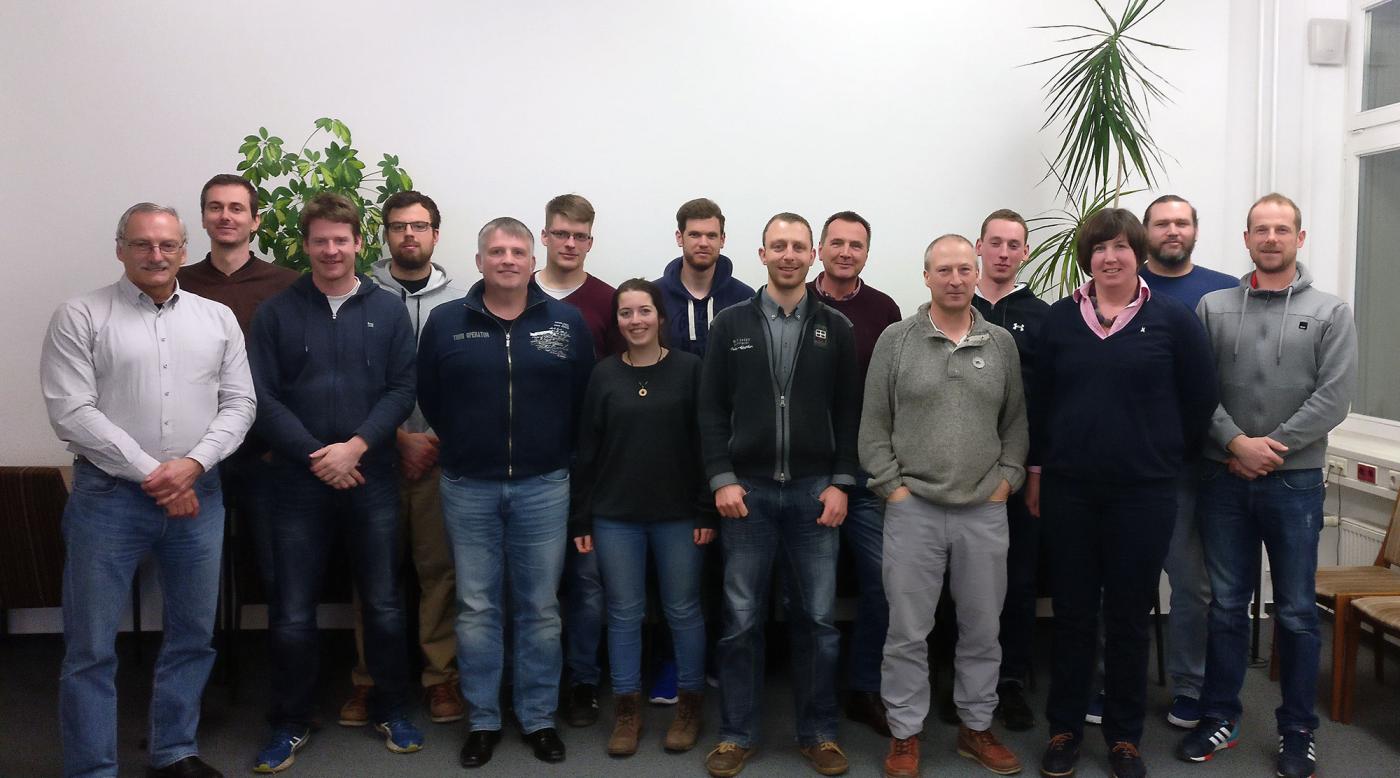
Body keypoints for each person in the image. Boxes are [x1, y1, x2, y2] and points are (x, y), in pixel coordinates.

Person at [42, 202, 255, 778]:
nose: (155, 255)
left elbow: (240, 403)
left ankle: (174, 751)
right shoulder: (80, 315)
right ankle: (92, 768)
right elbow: (72, 412)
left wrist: (193, 465)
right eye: (142, 244)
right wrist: (156, 474)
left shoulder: (217, 319)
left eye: (167, 245)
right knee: (90, 647)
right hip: (108, 500)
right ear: (120, 249)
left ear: (184, 250)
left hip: (199, 496)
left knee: (192, 636)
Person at [1032, 208, 1217, 778]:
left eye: (1120, 247)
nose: (1110, 257)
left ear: (1138, 253)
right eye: (1098, 248)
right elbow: (1040, 400)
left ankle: (1124, 737)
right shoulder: (1060, 320)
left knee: (1131, 618)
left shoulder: (1172, 320)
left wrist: (1163, 453)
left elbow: (1200, 397)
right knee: (1073, 614)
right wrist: (1039, 470)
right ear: (1086, 257)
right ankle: (1064, 728)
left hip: (1144, 494)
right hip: (1070, 492)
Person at [1179, 193, 1357, 778]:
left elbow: (1333, 398)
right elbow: (1197, 389)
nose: (1271, 238)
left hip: (1295, 483)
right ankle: (1220, 716)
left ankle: (1298, 730)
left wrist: (1268, 449)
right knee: (1227, 605)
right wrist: (1236, 444)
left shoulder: (1331, 312)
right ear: (1247, 238)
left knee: (1298, 612)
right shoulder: (1212, 307)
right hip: (1223, 478)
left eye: (1282, 229)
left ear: (1299, 238)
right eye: (1261, 229)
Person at [248, 192, 422, 773]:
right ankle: (290, 721)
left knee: (385, 603)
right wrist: (315, 456)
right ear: (305, 245)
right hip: (296, 483)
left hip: (371, 475)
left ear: (358, 243)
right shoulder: (276, 312)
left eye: (340, 240)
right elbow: (261, 396)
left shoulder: (388, 310)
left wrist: (355, 447)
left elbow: (402, 388)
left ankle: (392, 709)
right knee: (292, 608)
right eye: (320, 240)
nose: (331, 250)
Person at [417, 217, 594, 768]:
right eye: (497, 251)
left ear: (532, 261)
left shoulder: (565, 322)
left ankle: (538, 716)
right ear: (479, 261)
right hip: (468, 485)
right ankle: (484, 719)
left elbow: (584, 398)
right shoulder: (447, 322)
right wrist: (466, 445)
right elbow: (430, 395)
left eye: (518, 251)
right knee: (476, 607)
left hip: (544, 485)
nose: (508, 260)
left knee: (540, 606)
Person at [699, 213, 861, 778]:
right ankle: (736, 735)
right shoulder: (730, 324)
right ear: (762, 253)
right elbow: (710, 409)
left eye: (798, 246)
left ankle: (818, 733)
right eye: (778, 246)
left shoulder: (836, 327)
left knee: (817, 620)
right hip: (748, 494)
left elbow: (850, 411)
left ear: (812, 255)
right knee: (741, 620)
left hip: (816, 494)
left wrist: (842, 482)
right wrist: (721, 477)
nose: (789, 255)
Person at [861, 234, 1028, 778]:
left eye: (963, 269)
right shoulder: (896, 340)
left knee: (982, 628)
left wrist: (1006, 482)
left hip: (984, 509)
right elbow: (873, 426)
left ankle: (975, 727)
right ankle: (905, 733)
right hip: (914, 509)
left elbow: (1016, 424)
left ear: (976, 274)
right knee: (907, 632)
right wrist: (894, 489)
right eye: (944, 270)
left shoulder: (1000, 343)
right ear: (926, 276)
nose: (955, 279)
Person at [336, 190, 466, 727]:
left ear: (436, 233)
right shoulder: (357, 295)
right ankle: (370, 679)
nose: (409, 235)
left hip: (440, 459)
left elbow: (470, 383)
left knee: (440, 572)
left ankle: (441, 677)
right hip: (374, 458)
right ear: (384, 234)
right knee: (374, 574)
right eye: (398, 226)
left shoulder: (465, 300)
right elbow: (346, 382)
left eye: (419, 226)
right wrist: (394, 438)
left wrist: (432, 438)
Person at [570, 278, 716, 756]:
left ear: (660, 316)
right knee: (623, 613)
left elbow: (706, 443)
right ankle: (627, 712)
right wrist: (582, 519)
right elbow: (588, 452)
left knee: (683, 611)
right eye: (626, 313)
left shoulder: (690, 370)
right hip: (616, 518)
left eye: (644, 311)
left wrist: (706, 508)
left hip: (680, 516)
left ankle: (689, 707)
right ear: (617, 321)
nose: (636, 320)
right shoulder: (603, 375)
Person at [1137, 194, 1239, 729]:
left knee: (1191, 585)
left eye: (1181, 222)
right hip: (1130, 464)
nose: (1172, 231)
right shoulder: (1122, 287)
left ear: (1195, 230)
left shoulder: (1226, 292)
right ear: (1145, 233)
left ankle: (1188, 685)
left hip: (1195, 464)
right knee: (1118, 581)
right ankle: (1113, 682)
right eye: (1161, 223)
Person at [178, 174, 298, 604]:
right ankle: (201, 648)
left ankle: (280, 649)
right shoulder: (177, 282)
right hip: (194, 454)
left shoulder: (287, 285)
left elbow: (300, 368)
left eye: (236, 208)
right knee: (192, 568)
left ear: (256, 220)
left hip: (264, 452)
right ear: (203, 218)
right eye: (215, 207)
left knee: (276, 572)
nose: (225, 216)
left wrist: (282, 444)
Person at [808, 210, 902, 737]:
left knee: (885, 582)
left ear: (867, 253)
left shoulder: (884, 311)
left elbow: (893, 393)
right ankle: (814, 694)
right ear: (820, 249)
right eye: (837, 243)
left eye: (856, 245)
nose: (846, 252)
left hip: (866, 475)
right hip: (805, 474)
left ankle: (865, 687)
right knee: (810, 597)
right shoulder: (792, 300)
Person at [536, 193, 615, 726]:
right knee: (532, 583)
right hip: (529, 463)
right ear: (545, 236)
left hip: (592, 465)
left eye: (579, 236)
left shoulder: (607, 301)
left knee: (587, 581)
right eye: (560, 233)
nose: (569, 243)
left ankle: (584, 680)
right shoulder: (513, 292)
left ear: (590, 241)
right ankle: (531, 678)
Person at [970, 208, 1049, 732]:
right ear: (979, 246)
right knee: (962, 582)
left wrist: (1035, 470)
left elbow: (1046, 400)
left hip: (1020, 473)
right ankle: (963, 678)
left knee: (1018, 580)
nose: (1003, 252)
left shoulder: (1043, 317)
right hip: (959, 473)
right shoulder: (953, 305)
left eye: (1013, 245)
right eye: (994, 242)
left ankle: (1011, 681)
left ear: (1025, 252)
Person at [655, 198, 755, 356]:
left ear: (722, 240)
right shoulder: (654, 297)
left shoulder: (745, 299)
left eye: (711, 236)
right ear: (679, 238)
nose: (703, 243)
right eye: (694, 235)